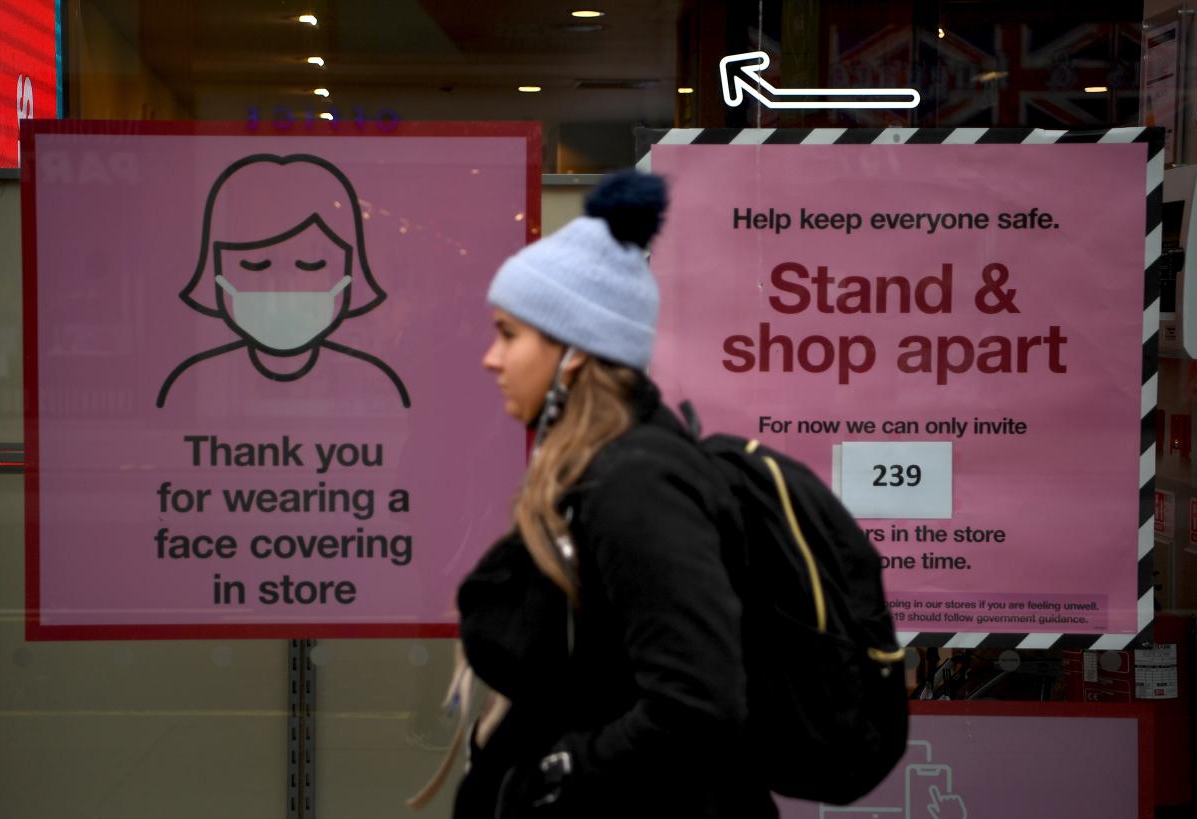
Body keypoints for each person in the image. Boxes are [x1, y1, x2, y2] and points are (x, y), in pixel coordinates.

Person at [449, 172, 776, 818]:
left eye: (509, 333)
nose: (491, 357)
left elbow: (697, 698)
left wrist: (557, 771)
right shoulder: (598, 470)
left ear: (572, 352)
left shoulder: (639, 486)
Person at [157, 153, 409, 408]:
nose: (287, 289)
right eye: (256, 266)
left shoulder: (376, 381)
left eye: (312, 266)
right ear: (217, 274)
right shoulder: (202, 388)